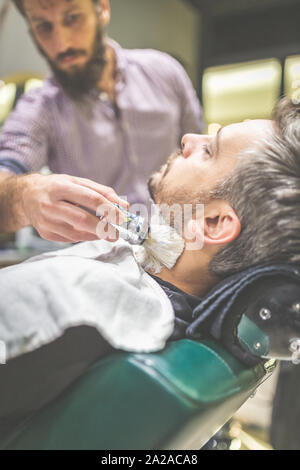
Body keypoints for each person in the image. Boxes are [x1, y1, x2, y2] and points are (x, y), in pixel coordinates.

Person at [0, 97, 299, 448]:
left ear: (213, 223)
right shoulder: (189, 321)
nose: (189, 138)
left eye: (209, 151)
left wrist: (14, 201)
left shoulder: (75, 300)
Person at [0, 0, 204, 242]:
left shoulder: (165, 72)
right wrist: (23, 197)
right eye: (44, 27)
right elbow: (6, 171)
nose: (62, 43)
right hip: (105, 268)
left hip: (186, 248)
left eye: (72, 18)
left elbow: (201, 157)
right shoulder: (41, 108)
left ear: (103, 9)